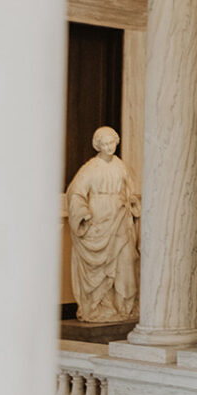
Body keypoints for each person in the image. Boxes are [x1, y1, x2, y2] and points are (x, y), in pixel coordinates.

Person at [65, 126, 140, 323]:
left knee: (125, 261)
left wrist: (132, 201)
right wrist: (82, 212)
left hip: (120, 218)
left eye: (112, 143)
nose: (109, 147)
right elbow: (76, 192)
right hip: (98, 219)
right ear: (98, 145)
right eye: (105, 144)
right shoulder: (91, 168)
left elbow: (131, 190)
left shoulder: (121, 166)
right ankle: (100, 305)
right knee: (101, 268)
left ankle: (124, 306)